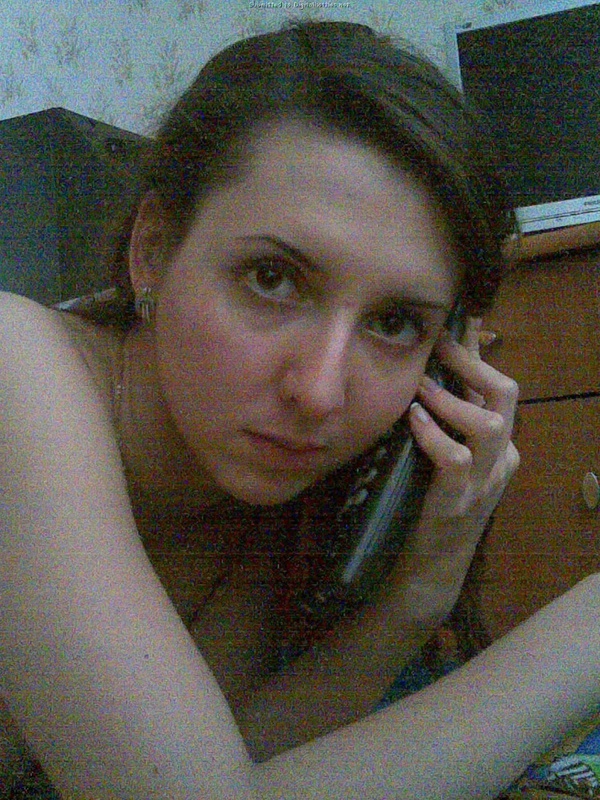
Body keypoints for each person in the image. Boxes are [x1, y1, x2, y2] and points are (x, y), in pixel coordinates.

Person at [0, 19, 598, 800]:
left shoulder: (260, 502)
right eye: (272, 278)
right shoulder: (16, 364)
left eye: (395, 323)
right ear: (154, 250)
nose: (319, 392)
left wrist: (416, 596)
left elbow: (252, 768)